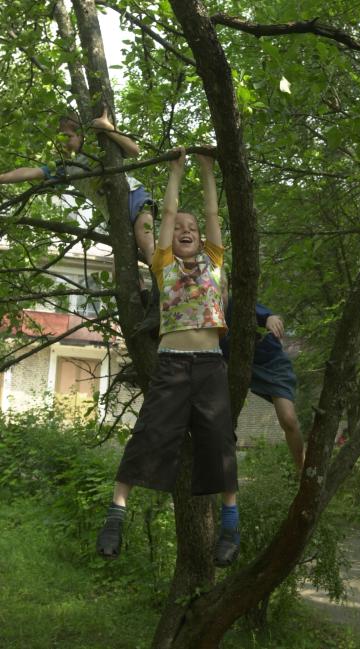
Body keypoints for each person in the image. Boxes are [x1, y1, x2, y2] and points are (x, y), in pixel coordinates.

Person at [96, 147, 240, 567]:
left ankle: (230, 525)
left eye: (192, 227)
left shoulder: (214, 261)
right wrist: (175, 172)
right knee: (149, 434)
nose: (186, 229)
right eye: (179, 227)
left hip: (211, 365)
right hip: (173, 364)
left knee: (220, 442)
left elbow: (214, 216)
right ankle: (115, 516)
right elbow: (169, 212)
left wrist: (209, 170)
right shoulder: (163, 264)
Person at [0, 108, 156, 264]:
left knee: (145, 239)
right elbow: (30, 172)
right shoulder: (64, 167)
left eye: (67, 136)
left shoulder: (97, 145)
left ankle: (162, 278)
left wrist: (108, 129)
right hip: (112, 214)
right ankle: (142, 288)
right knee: (122, 263)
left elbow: (134, 150)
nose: (63, 142)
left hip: (134, 195)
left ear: (81, 134)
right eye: (59, 139)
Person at [220, 281, 305, 474]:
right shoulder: (207, 318)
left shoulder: (237, 305)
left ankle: (302, 469)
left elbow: (269, 316)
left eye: (222, 291)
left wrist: (271, 320)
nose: (219, 297)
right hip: (242, 370)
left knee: (288, 419)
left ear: (227, 290)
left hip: (272, 364)